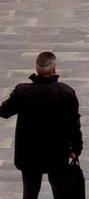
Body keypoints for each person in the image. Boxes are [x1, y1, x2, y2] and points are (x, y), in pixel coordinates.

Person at [1, 52, 83, 199]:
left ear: (37, 69)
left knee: (30, 193)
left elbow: (4, 112)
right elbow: (74, 125)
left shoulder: (22, 91)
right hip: (57, 153)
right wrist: (76, 149)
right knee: (61, 193)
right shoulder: (66, 93)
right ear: (54, 69)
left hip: (29, 154)